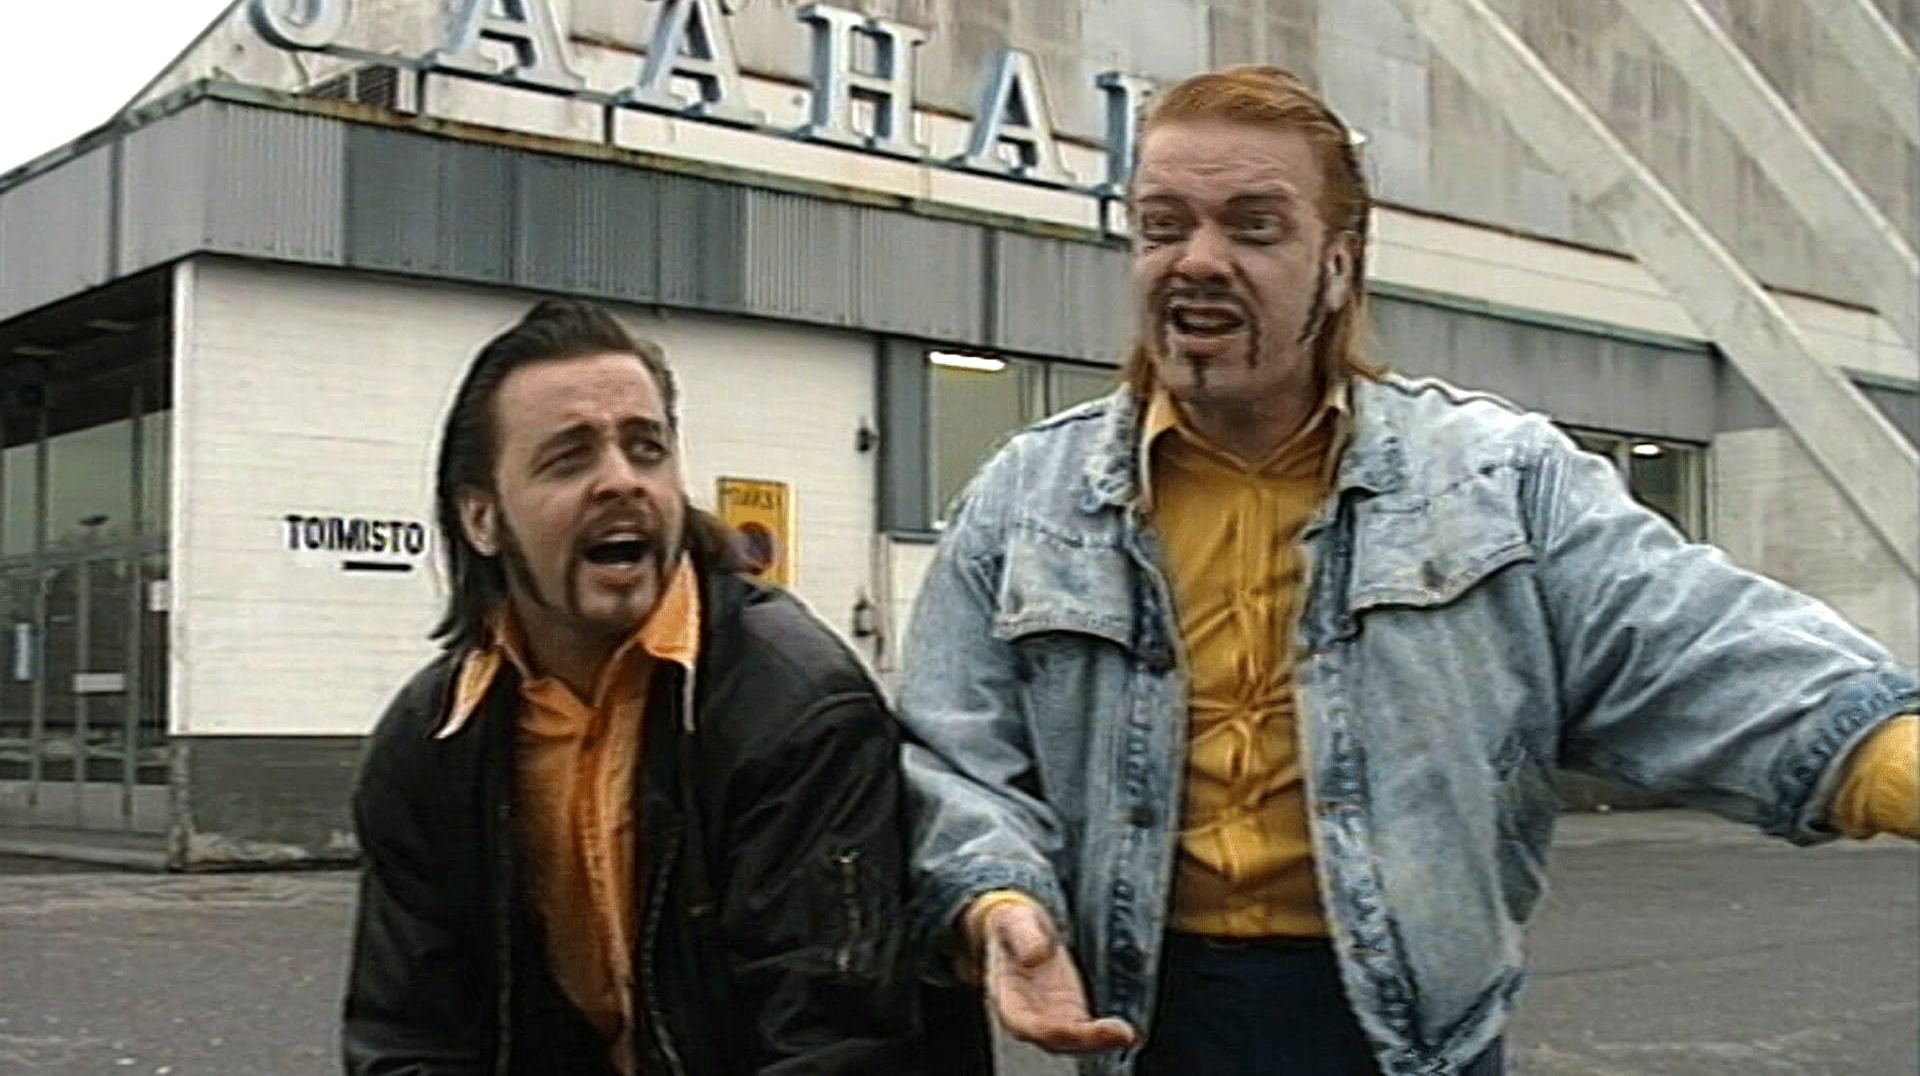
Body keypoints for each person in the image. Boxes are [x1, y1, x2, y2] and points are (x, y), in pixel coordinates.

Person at [896, 65, 1919, 1076]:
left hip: (1414, 1040)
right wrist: (998, 900)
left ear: (1339, 265)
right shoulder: (1027, 497)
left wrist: (1889, 761)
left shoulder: (1498, 482)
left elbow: (1700, 651)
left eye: (1254, 227)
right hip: (1147, 1030)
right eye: (1163, 226)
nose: (1198, 259)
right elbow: (957, 755)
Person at [342, 300, 985, 1075]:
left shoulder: (797, 709)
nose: (621, 481)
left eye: (646, 449)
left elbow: (836, 1044)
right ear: (482, 518)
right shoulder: (430, 742)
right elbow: (408, 1038)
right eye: (569, 459)